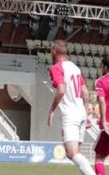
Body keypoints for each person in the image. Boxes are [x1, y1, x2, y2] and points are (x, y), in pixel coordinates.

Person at [48, 40, 95, 175]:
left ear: (54, 52)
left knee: (71, 153)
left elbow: (61, 90)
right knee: (77, 153)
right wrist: (86, 115)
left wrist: (51, 110)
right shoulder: (75, 67)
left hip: (70, 114)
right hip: (81, 112)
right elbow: (85, 92)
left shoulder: (57, 67)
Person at [93, 55, 109, 175]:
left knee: (99, 157)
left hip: (108, 124)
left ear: (105, 67)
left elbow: (102, 100)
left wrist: (103, 121)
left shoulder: (101, 81)